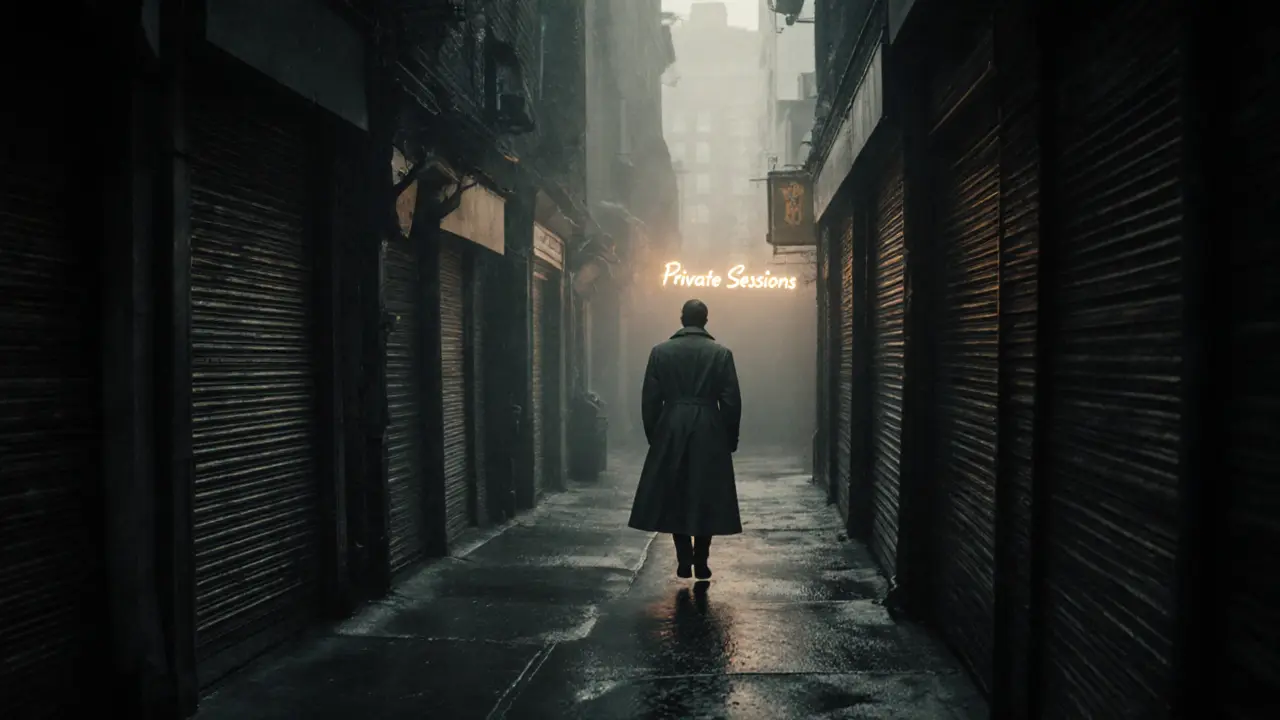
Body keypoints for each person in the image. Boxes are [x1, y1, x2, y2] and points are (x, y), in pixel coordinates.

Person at [628, 298, 743, 580]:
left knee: (675, 491)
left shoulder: (660, 352)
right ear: (705, 320)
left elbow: (650, 400)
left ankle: (683, 557)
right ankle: (701, 560)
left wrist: (656, 435)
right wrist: (730, 437)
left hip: (671, 426)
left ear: (682, 319)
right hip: (709, 427)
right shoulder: (721, 354)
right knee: (706, 493)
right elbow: (731, 401)